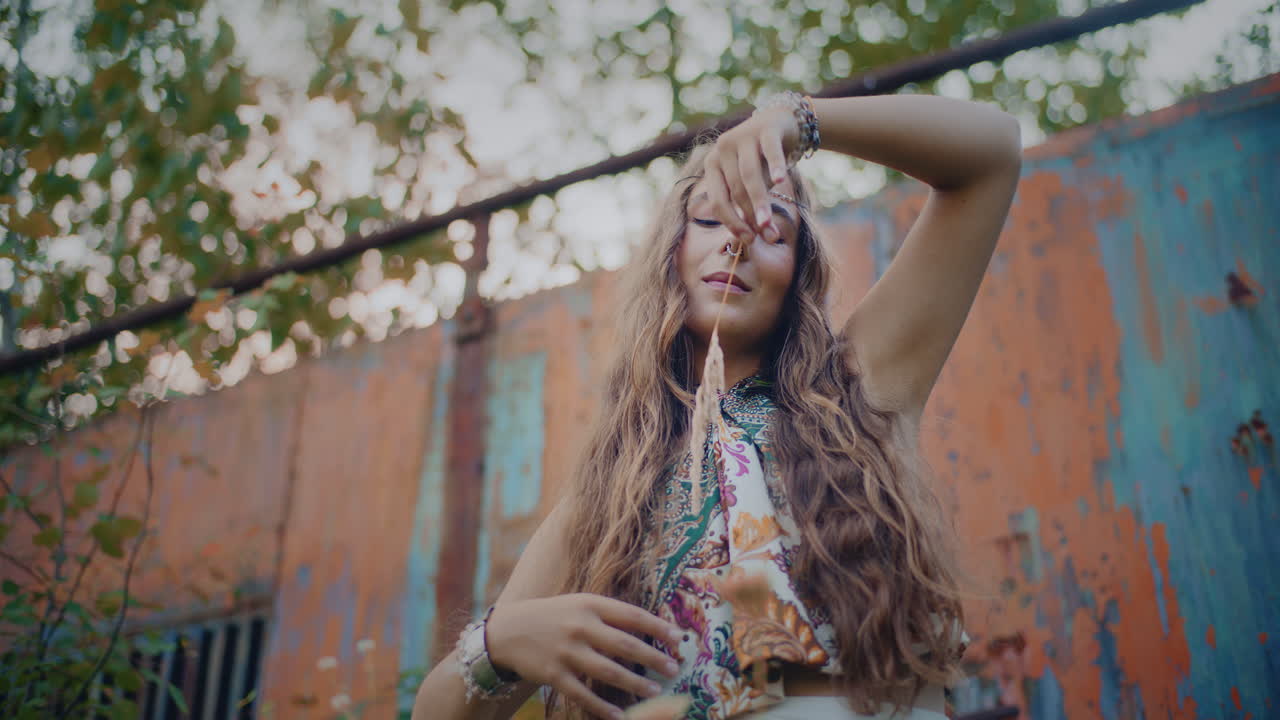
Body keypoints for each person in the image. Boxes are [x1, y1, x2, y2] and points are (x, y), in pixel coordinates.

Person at [413, 89, 1022, 720]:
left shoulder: (859, 395)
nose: (736, 241)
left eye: (770, 228)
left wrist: (796, 120)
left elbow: (992, 153)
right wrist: (500, 644)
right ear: (669, 258)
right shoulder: (606, 505)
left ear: (797, 273)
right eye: (708, 222)